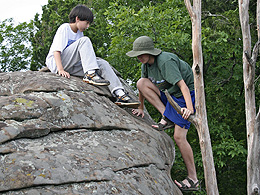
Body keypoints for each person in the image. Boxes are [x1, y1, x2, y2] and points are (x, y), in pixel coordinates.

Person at [126, 36, 199, 192]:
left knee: (179, 138)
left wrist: (189, 108)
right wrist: (141, 107)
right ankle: (167, 116)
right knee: (141, 82)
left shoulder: (165, 62)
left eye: (141, 54)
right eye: (137, 54)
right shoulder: (146, 64)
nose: (138, 57)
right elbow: (142, 86)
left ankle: (193, 179)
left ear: (149, 52)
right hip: (171, 95)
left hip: (187, 95)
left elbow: (183, 86)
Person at [45, 4, 139, 107]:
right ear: (77, 19)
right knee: (85, 41)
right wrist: (60, 70)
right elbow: (56, 51)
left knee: (102, 63)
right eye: (87, 23)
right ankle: (90, 74)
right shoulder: (65, 28)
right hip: (57, 64)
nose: (88, 26)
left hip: (71, 65)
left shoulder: (80, 33)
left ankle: (120, 94)